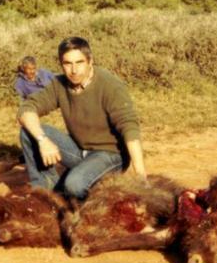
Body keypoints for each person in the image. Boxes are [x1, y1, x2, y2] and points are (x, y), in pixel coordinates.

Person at [17, 36, 146, 199]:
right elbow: (26, 109)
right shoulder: (60, 83)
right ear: (61, 64)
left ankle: (94, 188)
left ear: (90, 61)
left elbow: (129, 127)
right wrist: (42, 140)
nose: (74, 70)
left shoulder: (109, 84)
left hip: (111, 154)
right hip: (79, 150)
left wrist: (141, 177)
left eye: (79, 62)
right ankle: (46, 191)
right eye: (67, 63)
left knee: (74, 185)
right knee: (28, 132)